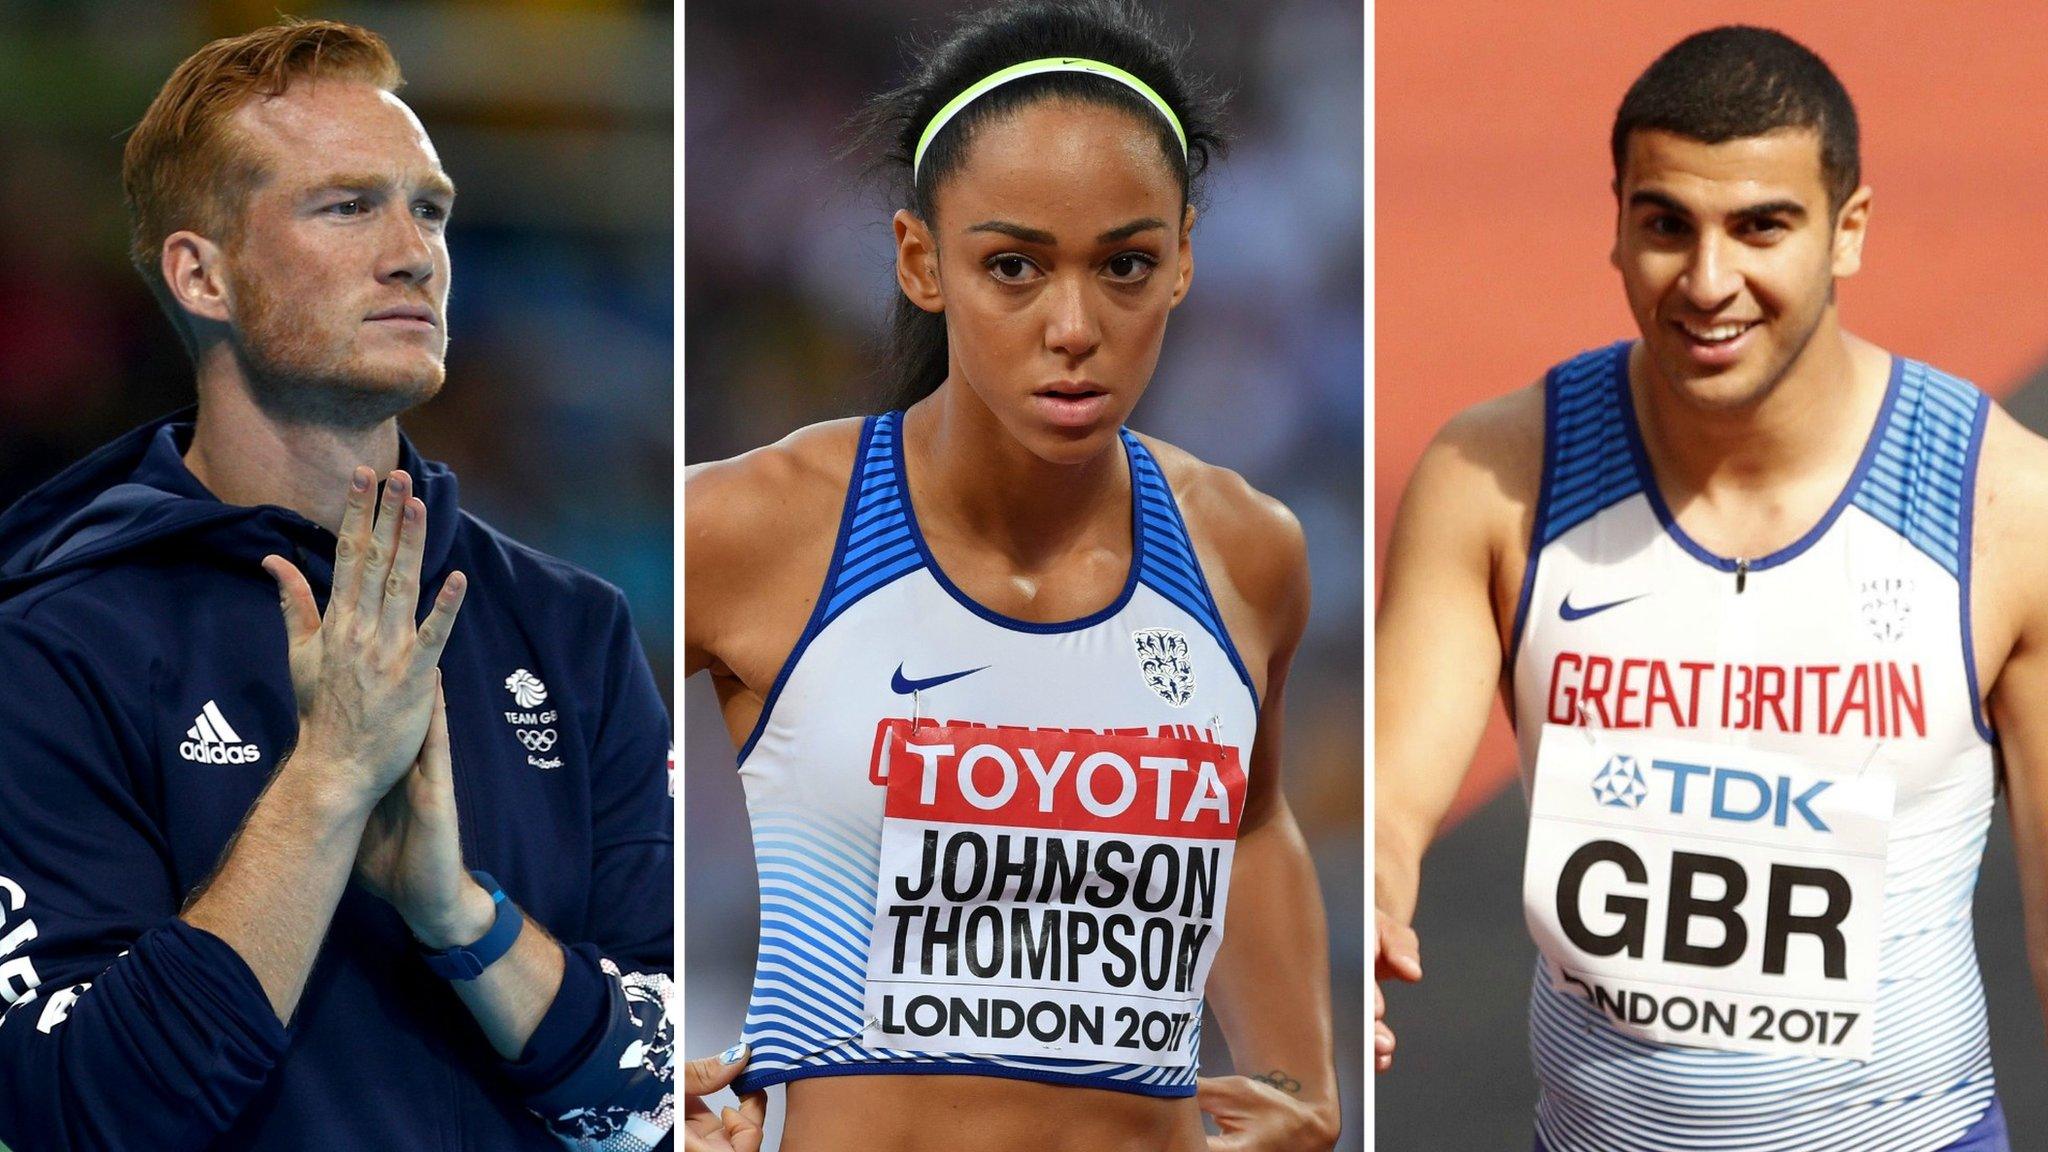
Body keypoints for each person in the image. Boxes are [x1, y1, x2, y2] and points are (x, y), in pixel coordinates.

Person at [0, 19, 673, 1151]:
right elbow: (83, 1111)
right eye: (347, 205)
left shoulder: (572, 629)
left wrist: (460, 919)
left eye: (431, 207)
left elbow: (665, 1103)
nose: (414, 251)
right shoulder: (51, 645)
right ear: (200, 273)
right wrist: (327, 787)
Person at [1375, 24, 2047, 1152]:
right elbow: (1391, 803)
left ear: (1847, 232)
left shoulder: (2004, 508)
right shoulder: (1497, 477)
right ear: (1616, 224)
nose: (1705, 281)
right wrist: (1375, 902)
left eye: (1759, 227)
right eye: (1663, 226)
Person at [683, 2, 1338, 1149]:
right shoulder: (751, 526)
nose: (1073, 326)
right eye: (1013, 268)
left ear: (1183, 261)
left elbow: (1246, 820)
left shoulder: (1244, 549)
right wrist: (632, 1068)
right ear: (919, 261)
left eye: (1124, 264)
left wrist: (1299, 1087)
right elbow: (531, 749)